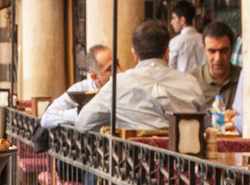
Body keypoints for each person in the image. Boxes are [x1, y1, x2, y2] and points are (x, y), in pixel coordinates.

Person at [76, 19, 205, 133]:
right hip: (185, 159)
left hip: (137, 158)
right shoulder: (191, 82)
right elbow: (207, 126)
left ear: (135, 54)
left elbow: (83, 123)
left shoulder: (117, 84)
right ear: (167, 52)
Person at [41, 45, 113, 129]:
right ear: (94, 77)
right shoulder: (81, 89)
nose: (119, 71)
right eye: (110, 69)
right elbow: (47, 118)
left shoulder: (124, 86)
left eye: (117, 64)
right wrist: (81, 113)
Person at [192, 22, 242, 133]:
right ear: (204, 49)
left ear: (232, 49)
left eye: (223, 51)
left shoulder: (244, 78)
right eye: (212, 51)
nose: (218, 58)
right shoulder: (192, 80)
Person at [166, 0, 206, 73]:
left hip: (182, 83)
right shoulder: (203, 39)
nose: (171, 22)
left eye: (174, 18)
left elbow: (170, 69)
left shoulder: (176, 42)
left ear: (182, 20)